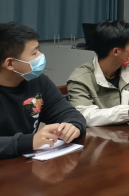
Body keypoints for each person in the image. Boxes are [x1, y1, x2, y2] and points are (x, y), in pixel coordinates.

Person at [0, 22, 85, 160]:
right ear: (10, 63)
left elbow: (68, 113)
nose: (41, 56)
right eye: (34, 53)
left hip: (27, 163)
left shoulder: (38, 81)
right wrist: (29, 141)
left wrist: (72, 126)